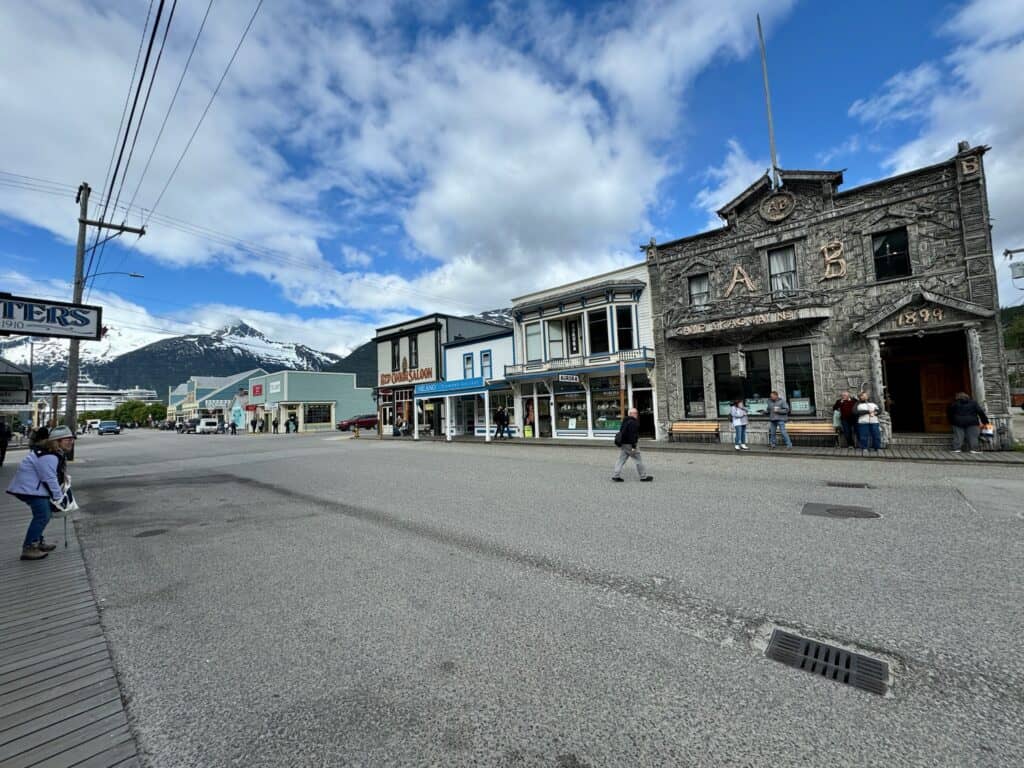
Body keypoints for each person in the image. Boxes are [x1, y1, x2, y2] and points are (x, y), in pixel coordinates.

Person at [6, 425, 74, 560]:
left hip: (32, 488)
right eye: (67, 439)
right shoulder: (48, 455)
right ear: (57, 441)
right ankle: (29, 547)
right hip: (31, 490)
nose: (71, 441)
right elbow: (49, 478)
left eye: (72, 439)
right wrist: (59, 498)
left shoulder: (50, 452)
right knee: (43, 515)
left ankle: (37, 542)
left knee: (43, 514)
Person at [612, 408, 653, 482]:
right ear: (631, 414)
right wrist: (634, 446)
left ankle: (616, 475)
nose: (637, 414)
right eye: (635, 413)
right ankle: (643, 477)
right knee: (638, 460)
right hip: (630, 444)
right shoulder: (633, 422)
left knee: (621, 460)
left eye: (636, 413)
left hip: (624, 444)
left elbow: (621, 432)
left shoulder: (625, 421)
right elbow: (633, 435)